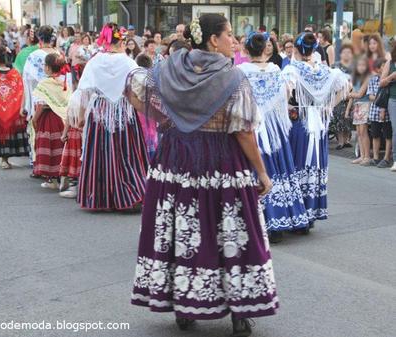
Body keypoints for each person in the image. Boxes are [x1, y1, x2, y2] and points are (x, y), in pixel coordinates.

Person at [126, 14, 277, 336]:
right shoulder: (232, 78)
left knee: (182, 228)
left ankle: (184, 306)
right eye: (230, 35)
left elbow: (132, 88)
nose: (234, 41)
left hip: (176, 159)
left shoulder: (169, 68)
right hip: (221, 162)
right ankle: (239, 311)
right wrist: (261, 173)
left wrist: (169, 120)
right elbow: (244, 132)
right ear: (213, 40)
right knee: (230, 233)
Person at [239, 32, 308, 243]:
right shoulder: (276, 70)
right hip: (275, 128)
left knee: (258, 170)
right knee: (280, 169)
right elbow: (285, 95)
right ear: (264, 49)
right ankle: (286, 219)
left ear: (246, 50)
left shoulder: (240, 72)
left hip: (253, 126)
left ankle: (263, 222)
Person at [73, 23, 149, 211]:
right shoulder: (128, 62)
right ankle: (131, 193)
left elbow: (85, 92)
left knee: (100, 152)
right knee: (126, 154)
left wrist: (81, 117)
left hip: (100, 113)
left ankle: (101, 198)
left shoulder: (95, 61)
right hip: (123, 112)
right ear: (121, 40)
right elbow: (138, 90)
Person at [283, 32, 349, 226]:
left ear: (296, 49)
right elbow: (345, 85)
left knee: (297, 166)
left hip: (299, 124)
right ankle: (310, 214)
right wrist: (328, 105)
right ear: (314, 50)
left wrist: (286, 106)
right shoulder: (324, 70)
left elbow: (285, 91)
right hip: (318, 125)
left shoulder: (293, 70)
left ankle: (297, 214)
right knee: (313, 165)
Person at [32, 53, 71, 189]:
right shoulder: (65, 82)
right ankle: (62, 175)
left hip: (48, 119)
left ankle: (52, 180)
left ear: (48, 68)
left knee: (49, 147)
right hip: (62, 119)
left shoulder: (44, 84)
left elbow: (42, 105)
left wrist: (35, 119)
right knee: (60, 147)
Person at [22, 26, 58, 171]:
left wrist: (26, 104)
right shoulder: (59, 54)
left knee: (39, 130)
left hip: (39, 97)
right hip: (57, 98)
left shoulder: (34, 55)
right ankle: (56, 164)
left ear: (40, 38)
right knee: (56, 132)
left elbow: (27, 79)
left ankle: (38, 163)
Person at [345, 56, 371, 166]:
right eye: (359, 65)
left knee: (364, 132)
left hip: (364, 105)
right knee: (358, 133)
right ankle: (361, 155)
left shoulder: (367, 78)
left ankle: (367, 157)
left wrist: (350, 94)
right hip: (357, 106)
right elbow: (351, 95)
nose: (361, 67)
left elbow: (360, 94)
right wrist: (347, 110)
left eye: (363, 65)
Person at [367, 58, 392, 168]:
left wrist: (379, 98)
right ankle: (376, 158)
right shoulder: (373, 80)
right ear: (377, 69)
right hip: (374, 112)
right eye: (382, 66)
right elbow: (370, 96)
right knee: (375, 135)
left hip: (388, 112)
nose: (384, 68)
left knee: (388, 135)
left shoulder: (390, 81)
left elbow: (377, 97)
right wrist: (381, 97)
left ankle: (387, 158)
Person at [331, 44, 354, 150]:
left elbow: (356, 81)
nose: (346, 54)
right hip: (338, 96)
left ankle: (347, 140)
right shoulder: (335, 66)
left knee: (348, 118)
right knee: (338, 118)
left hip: (351, 95)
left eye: (348, 52)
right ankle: (340, 141)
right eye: (344, 52)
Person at [379, 44, 396, 172]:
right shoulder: (390, 63)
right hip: (393, 99)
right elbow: (381, 82)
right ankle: (395, 160)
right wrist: (392, 76)